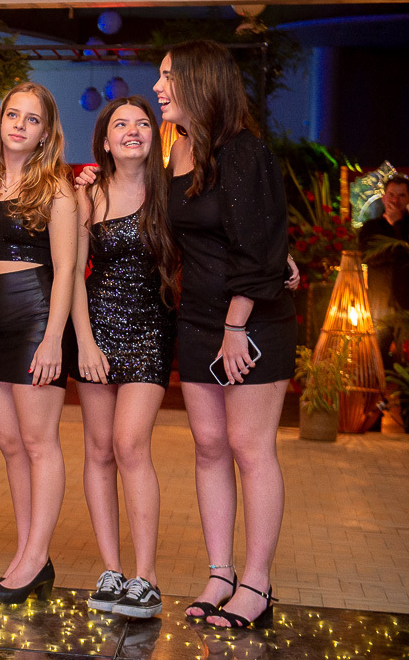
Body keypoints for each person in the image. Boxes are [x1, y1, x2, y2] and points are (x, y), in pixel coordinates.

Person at [157, 40, 295, 630]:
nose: (158, 86)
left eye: (167, 77)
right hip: (197, 320)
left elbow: (258, 243)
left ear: (198, 81)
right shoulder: (181, 147)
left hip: (251, 321)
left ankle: (258, 584)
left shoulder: (243, 151)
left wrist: (237, 324)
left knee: (248, 446)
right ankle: (220, 573)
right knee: (209, 446)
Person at [0, 82, 77, 605]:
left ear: (44, 133)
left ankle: (36, 558)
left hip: (36, 315)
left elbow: (66, 271)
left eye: (32, 119)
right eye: (13, 114)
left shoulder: (57, 188)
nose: (19, 124)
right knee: (11, 445)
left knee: (39, 444)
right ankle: (27, 553)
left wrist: (55, 337)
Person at [71, 97, 178, 618]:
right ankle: (111, 571)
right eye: (121, 124)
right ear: (106, 140)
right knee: (98, 450)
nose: (133, 130)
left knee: (130, 443)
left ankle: (147, 576)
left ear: (153, 137)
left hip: (150, 331)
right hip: (95, 333)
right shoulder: (87, 194)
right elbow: (71, 273)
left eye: (142, 123)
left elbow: (214, 240)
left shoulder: (170, 190)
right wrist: (84, 341)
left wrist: (280, 262)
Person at [358, 174, 409, 370]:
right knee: (377, 355)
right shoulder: (371, 228)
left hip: (406, 303)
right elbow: (368, 256)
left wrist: (397, 226)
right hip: (380, 303)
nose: (395, 200)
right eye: (391, 195)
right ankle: (379, 398)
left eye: (402, 195)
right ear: (384, 196)